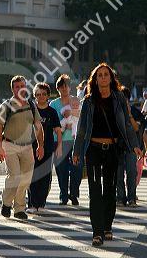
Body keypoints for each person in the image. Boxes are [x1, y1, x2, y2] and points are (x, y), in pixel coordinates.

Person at [72, 63, 141, 247]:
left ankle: (107, 226)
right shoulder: (88, 100)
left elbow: (126, 124)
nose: (103, 77)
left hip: (112, 150)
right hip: (93, 150)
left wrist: (134, 145)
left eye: (106, 75)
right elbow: (82, 128)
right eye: (99, 75)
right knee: (95, 191)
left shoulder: (119, 98)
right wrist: (77, 150)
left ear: (111, 78)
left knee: (110, 191)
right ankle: (97, 232)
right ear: (95, 79)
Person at [0, 75, 44, 220]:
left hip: (27, 147)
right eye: (17, 86)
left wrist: (41, 145)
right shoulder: (6, 106)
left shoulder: (31, 104)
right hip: (10, 145)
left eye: (22, 85)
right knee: (15, 176)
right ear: (12, 89)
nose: (20, 88)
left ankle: (19, 209)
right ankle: (6, 203)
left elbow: (38, 126)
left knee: (25, 179)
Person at [27, 83, 62, 214]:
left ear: (48, 95)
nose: (40, 96)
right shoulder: (30, 110)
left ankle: (41, 203)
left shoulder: (52, 112)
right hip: (31, 148)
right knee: (31, 176)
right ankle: (31, 204)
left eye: (43, 94)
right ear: (34, 96)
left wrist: (59, 146)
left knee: (45, 177)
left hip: (48, 148)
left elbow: (58, 130)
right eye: (37, 94)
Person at [50, 74, 82, 206]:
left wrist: (71, 117)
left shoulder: (76, 100)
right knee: (61, 170)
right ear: (58, 88)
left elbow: (81, 115)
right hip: (59, 141)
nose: (64, 89)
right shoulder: (54, 103)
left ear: (70, 87)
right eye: (61, 87)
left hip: (75, 141)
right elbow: (52, 123)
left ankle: (74, 194)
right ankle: (63, 195)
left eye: (66, 86)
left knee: (77, 169)